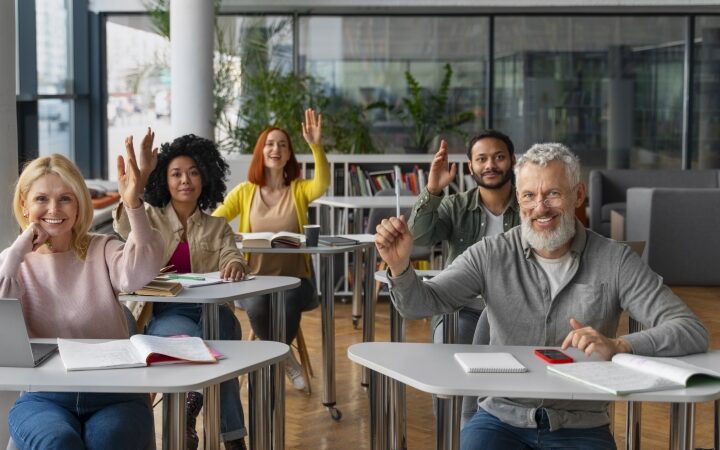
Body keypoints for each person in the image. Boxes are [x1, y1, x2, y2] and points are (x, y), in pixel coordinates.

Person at [375, 142, 708, 450]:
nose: (540, 208)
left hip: (581, 423)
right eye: (528, 196)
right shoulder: (491, 254)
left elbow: (690, 329)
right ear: (518, 199)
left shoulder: (615, 259)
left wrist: (620, 345)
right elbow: (421, 304)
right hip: (501, 419)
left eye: (553, 194)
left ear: (578, 195)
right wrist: (400, 268)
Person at [0, 151, 164, 450]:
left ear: (79, 204)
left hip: (115, 394)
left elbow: (140, 272)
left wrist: (133, 204)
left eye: (65, 198)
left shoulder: (103, 248)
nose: (54, 209)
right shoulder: (13, 264)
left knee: (107, 440)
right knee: (57, 442)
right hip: (44, 397)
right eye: (41, 199)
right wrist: (16, 252)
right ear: (24, 205)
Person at [113, 129, 249, 450]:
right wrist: (138, 181)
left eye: (193, 172)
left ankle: (189, 414)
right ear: (165, 180)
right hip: (166, 313)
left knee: (219, 346)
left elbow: (232, 255)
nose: (185, 180)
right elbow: (123, 224)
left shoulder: (217, 226)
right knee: (213, 357)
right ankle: (229, 439)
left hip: (214, 311)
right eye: (176, 174)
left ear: (205, 178)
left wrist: (235, 264)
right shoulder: (148, 217)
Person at [213, 108, 329, 391]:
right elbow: (214, 221)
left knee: (288, 301)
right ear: (260, 152)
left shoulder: (299, 190)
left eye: (282, 145)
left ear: (289, 154)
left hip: (295, 281)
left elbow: (322, 183)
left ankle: (273, 360)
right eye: (270, 144)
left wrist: (315, 146)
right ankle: (285, 358)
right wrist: (229, 235)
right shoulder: (245, 191)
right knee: (257, 305)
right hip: (254, 279)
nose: (275, 149)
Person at [408, 130, 520, 345]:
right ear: (470, 166)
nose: (490, 165)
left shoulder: (529, 206)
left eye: (499, 157)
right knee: (448, 354)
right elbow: (419, 237)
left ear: (513, 160)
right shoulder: (455, 206)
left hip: (516, 311)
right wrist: (432, 190)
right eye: (481, 159)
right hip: (462, 310)